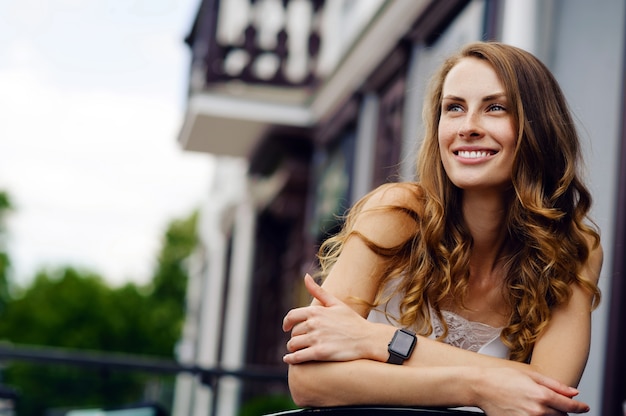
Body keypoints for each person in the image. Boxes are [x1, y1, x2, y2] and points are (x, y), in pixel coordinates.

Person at [281, 41, 603, 416]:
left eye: (495, 108)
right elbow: (307, 382)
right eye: (454, 108)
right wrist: (476, 385)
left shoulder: (573, 249)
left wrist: (377, 340)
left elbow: (551, 394)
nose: (468, 127)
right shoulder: (398, 214)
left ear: (537, 126)